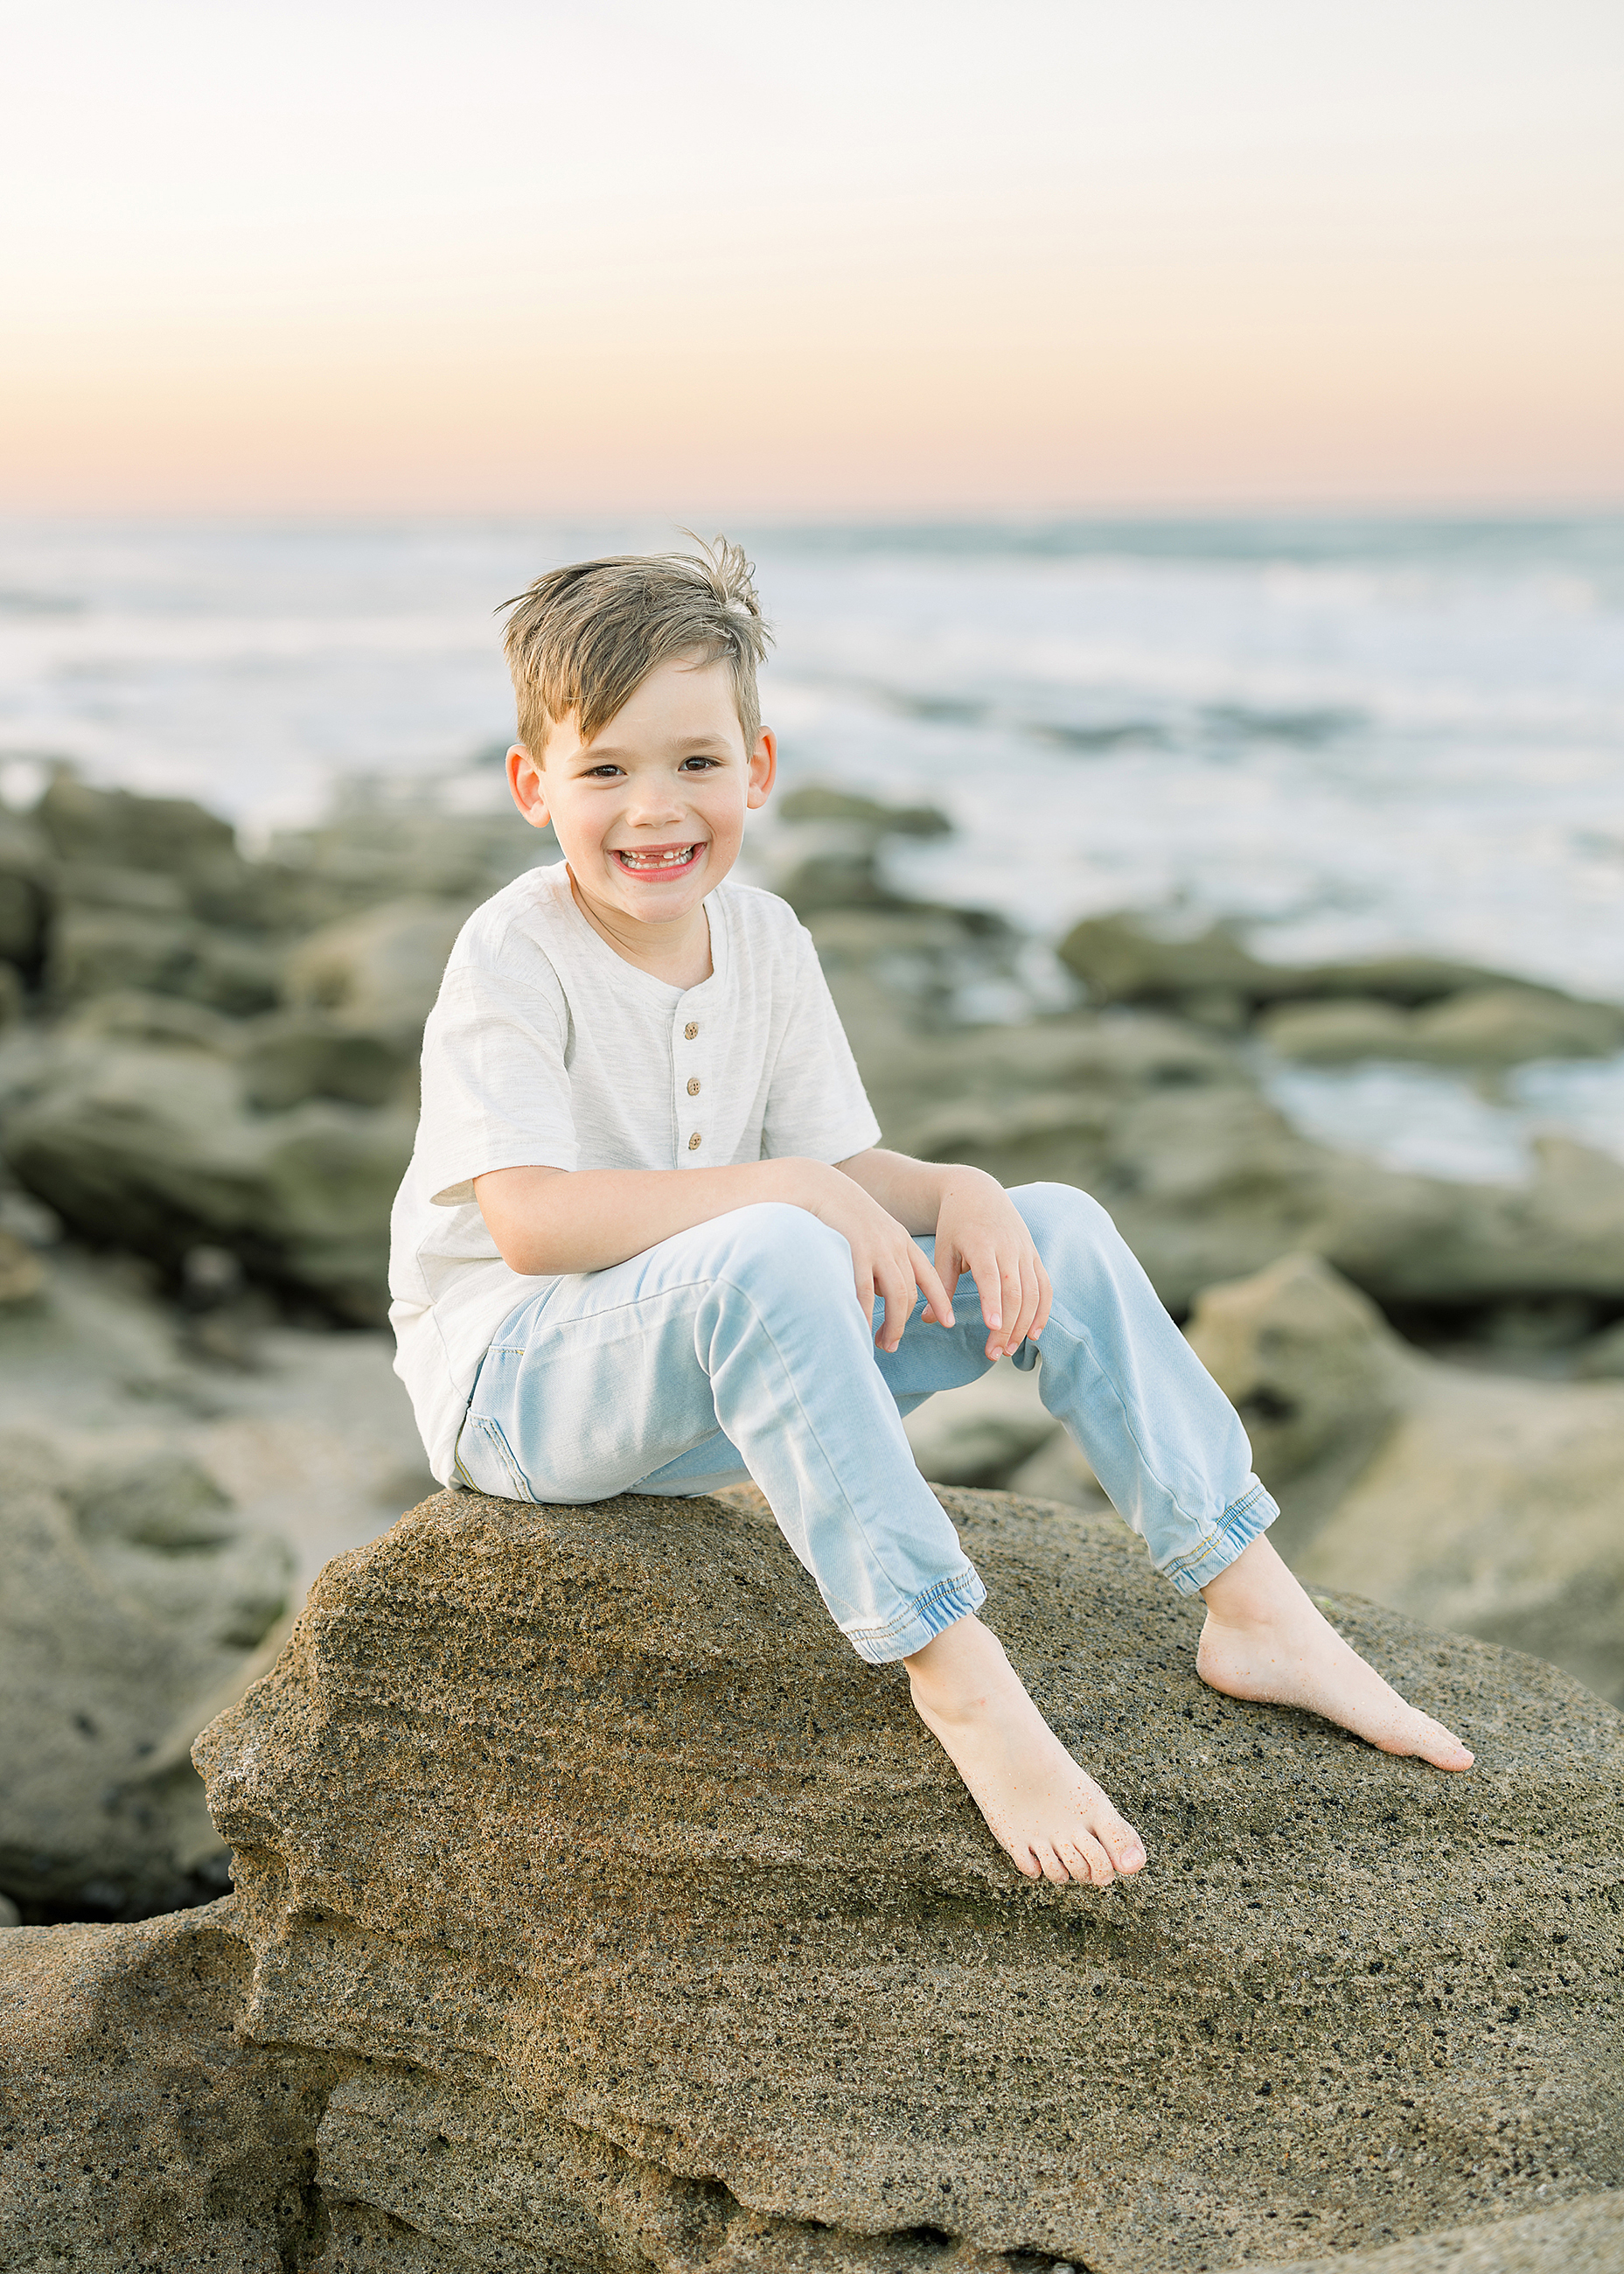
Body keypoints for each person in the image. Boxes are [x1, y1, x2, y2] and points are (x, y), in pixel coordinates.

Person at [388, 538, 1474, 1891]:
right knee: (779, 1235)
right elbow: (533, 1226)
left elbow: (848, 1169)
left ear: (759, 768)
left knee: (1052, 1219)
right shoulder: (514, 949)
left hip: (713, 1378)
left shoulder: (768, 941)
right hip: (521, 1392)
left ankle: (1252, 1607)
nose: (653, 809)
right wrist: (786, 1190)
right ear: (530, 786)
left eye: (695, 764)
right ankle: (957, 1678)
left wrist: (959, 1192)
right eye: (604, 770)